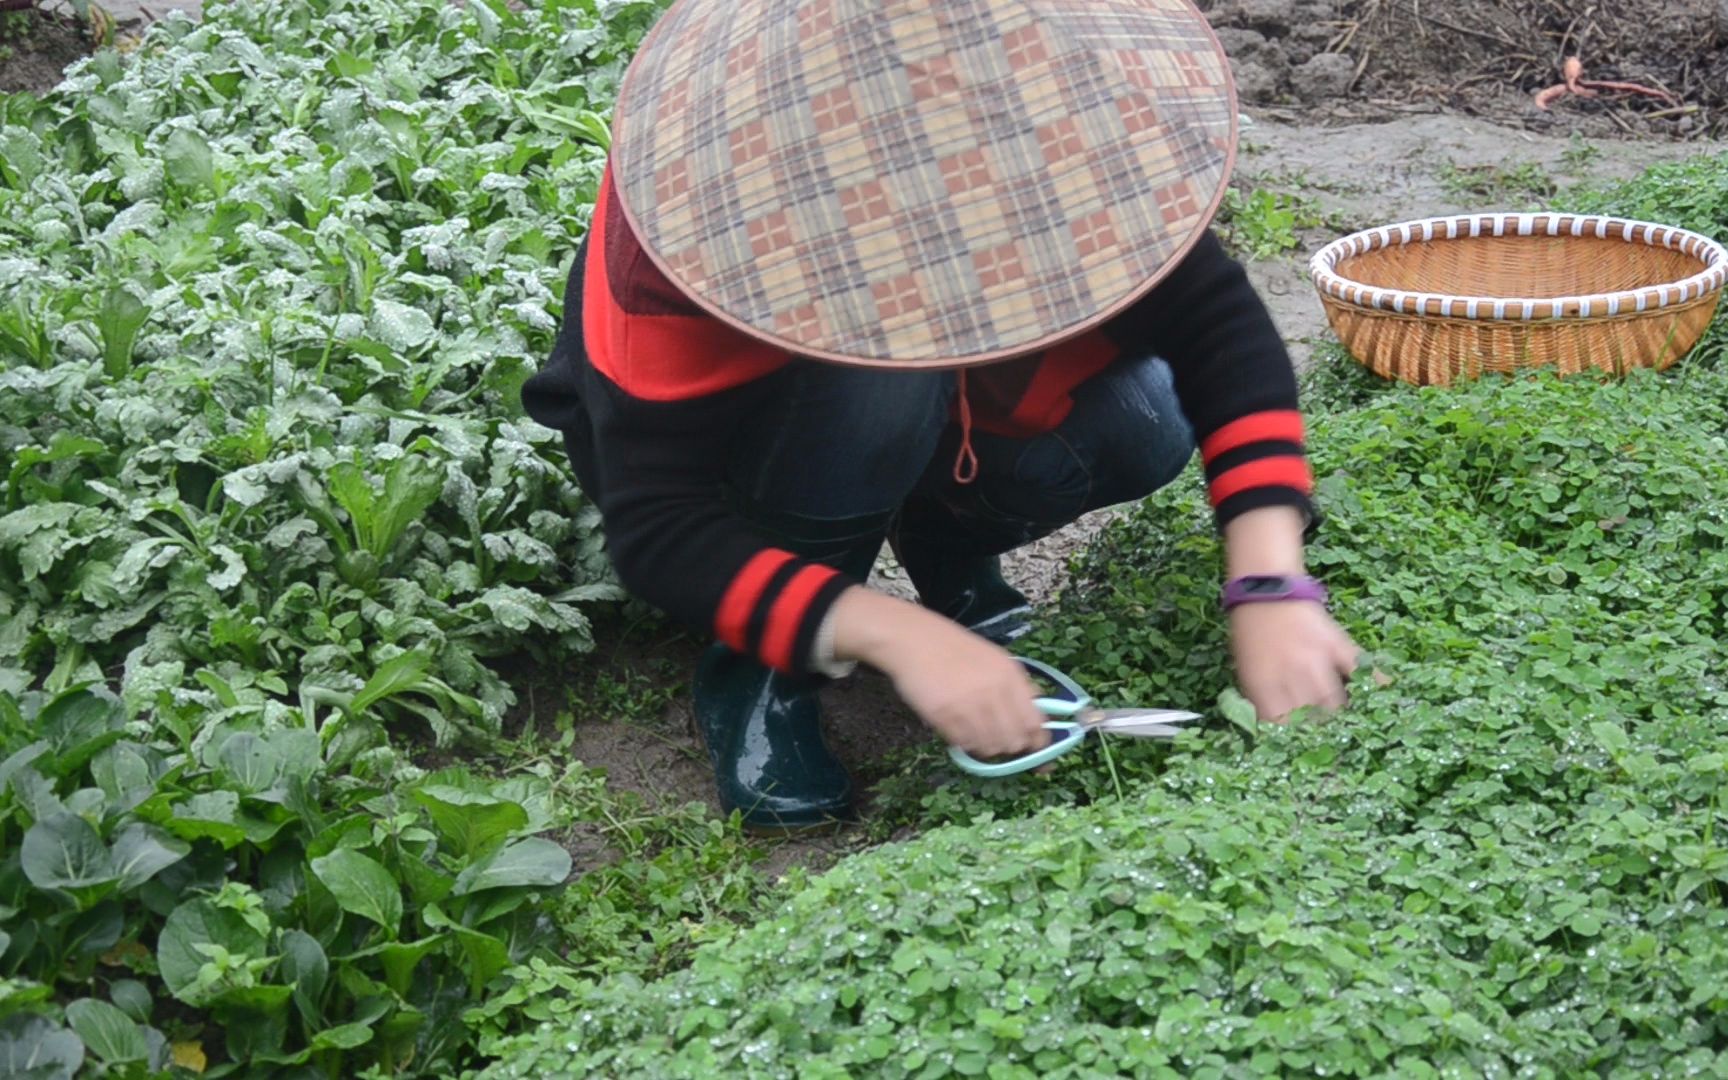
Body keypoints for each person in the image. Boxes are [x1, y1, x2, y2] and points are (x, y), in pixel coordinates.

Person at [522, 0, 1361, 832]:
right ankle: (758, 670)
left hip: (942, 410)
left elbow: (1213, 324)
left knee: (1149, 415)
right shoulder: (694, 221)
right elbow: (659, 523)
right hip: (752, 462)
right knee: (878, 386)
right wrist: (886, 632)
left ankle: (945, 535)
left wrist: (1269, 579)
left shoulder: (1050, 129)